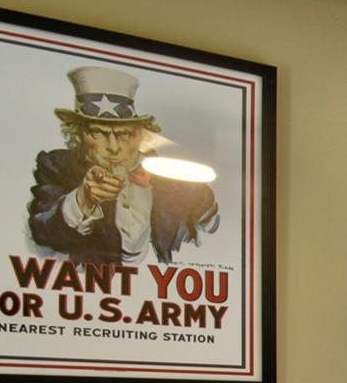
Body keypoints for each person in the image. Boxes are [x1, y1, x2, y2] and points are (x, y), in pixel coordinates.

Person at [27, 66, 218, 264]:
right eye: (97, 133)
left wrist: (178, 185)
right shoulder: (57, 166)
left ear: (140, 135)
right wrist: (84, 199)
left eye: (124, 134)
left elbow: (214, 230)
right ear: (78, 136)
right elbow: (43, 231)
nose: (114, 147)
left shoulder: (167, 171)